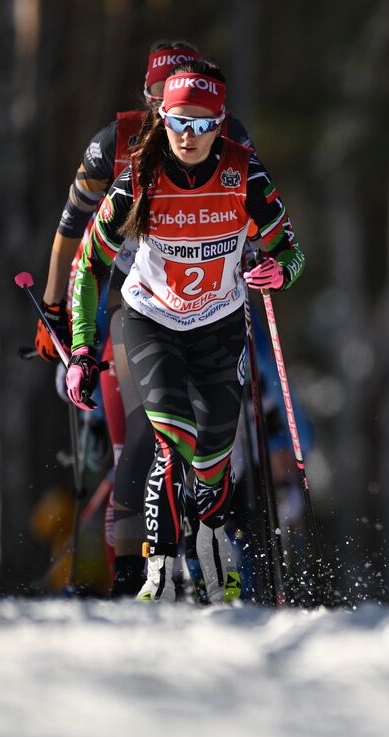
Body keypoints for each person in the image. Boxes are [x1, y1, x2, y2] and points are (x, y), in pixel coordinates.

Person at [65, 61, 304, 602]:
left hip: (218, 323)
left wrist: (279, 270)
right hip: (150, 319)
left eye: (202, 125)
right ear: (162, 120)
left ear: (221, 123)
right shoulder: (139, 177)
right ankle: (161, 566)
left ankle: (214, 542)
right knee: (174, 433)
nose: (189, 137)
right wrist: (81, 347)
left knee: (214, 460)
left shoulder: (244, 173)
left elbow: (291, 249)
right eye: (178, 123)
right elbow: (90, 265)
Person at [37, 39, 257, 597]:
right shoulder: (114, 145)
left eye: (188, 109)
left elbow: (257, 214)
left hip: (209, 304)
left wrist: (260, 254)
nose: (179, 124)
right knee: (142, 433)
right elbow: (73, 232)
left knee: (214, 434)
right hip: (131, 304)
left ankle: (210, 556)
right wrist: (56, 308)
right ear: (148, 100)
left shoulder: (226, 133)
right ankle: (134, 575)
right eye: (163, 104)